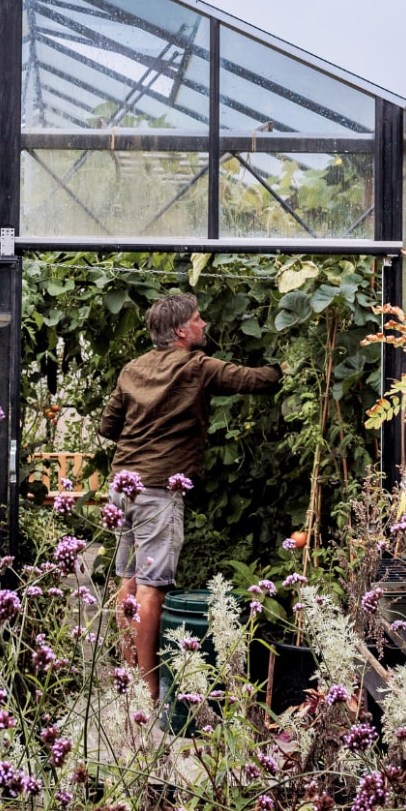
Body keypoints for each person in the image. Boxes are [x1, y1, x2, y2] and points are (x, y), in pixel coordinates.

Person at [98, 292, 282, 701]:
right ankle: (148, 691)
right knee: (151, 588)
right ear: (181, 330)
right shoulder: (196, 367)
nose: (204, 324)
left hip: (122, 487)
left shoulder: (132, 369)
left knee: (127, 580)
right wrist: (285, 367)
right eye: (198, 319)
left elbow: (108, 426)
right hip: (157, 490)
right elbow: (255, 380)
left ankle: (129, 682)